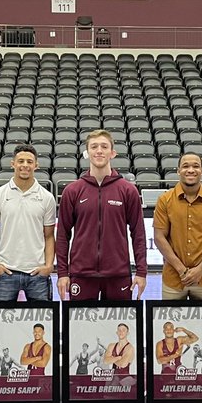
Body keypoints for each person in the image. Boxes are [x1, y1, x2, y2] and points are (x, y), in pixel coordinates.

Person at [56, 129, 147, 301]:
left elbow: (138, 234)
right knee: (80, 327)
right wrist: (62, 272)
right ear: (87, 152)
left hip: (118, 275)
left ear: (112, 153)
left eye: (104, 147)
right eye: (94, 147)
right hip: (81, 275)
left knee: (120, 327)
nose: (99, 150)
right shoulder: (72, 191)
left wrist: (141, 271)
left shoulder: (128, 190)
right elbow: (62, 235)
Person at [0, 144, 57, 302]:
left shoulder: (47, 198)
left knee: (42, 323)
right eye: (21, 161)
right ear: (13, 164)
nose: (25, 165)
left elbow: (49, 236)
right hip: (6, 272)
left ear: (36, 165)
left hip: (37, 273)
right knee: (0, 323)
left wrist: (49, 265)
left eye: (29, 162)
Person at [152, 153, 202, 300]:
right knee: (169, 323)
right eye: (186, 166)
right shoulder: (164, 200)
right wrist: (181, 270)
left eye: (196, 166)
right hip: (173, 279)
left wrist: (201, 269)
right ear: (178, 171)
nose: (191, 170)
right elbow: (159, 237)